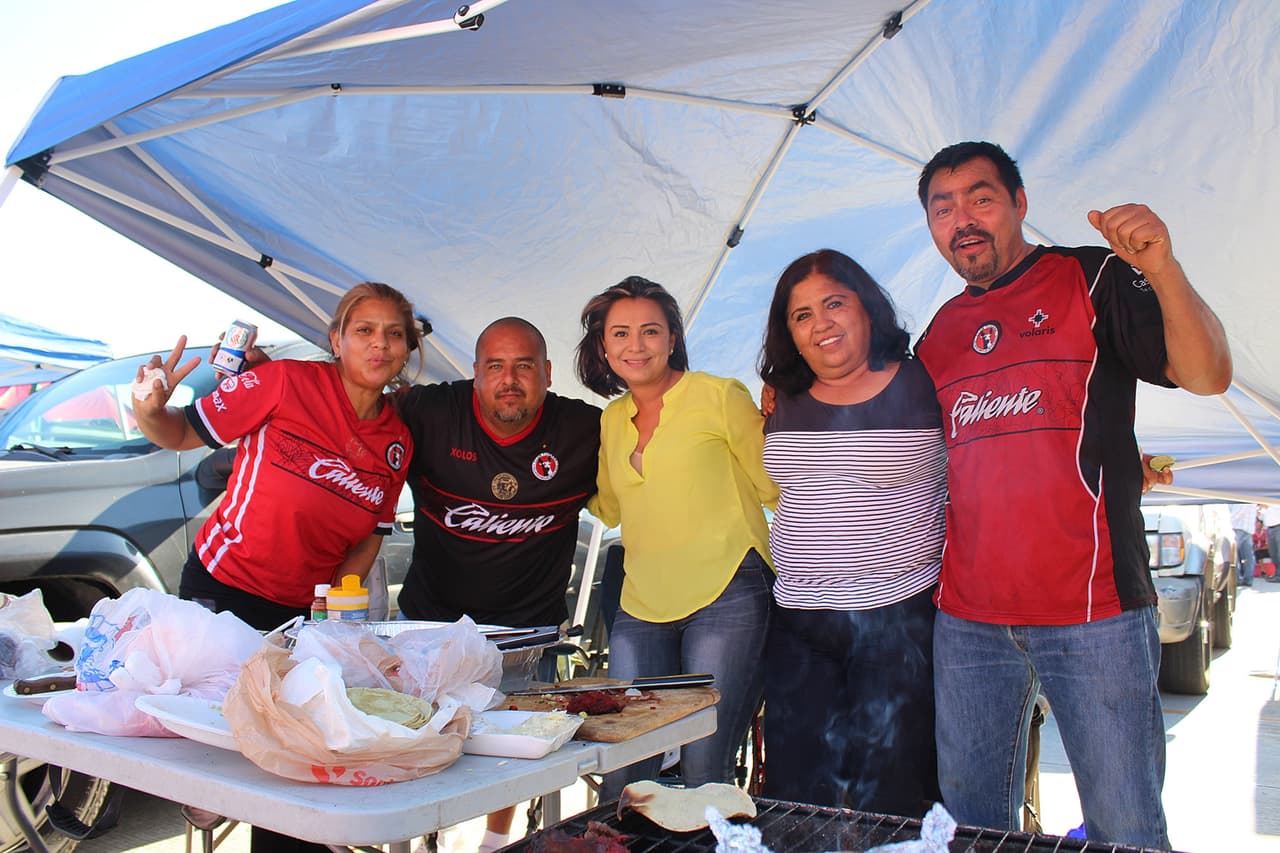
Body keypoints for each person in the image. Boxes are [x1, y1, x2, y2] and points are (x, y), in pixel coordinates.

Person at [914, 141, 1231, 849]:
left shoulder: (1092, 276)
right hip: (967, 621)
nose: (962, 219)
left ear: (1020, 203)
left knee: (1126, 829)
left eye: (980, 198)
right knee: (972, 829)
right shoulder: (937, 335)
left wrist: (1163, 268)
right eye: (943, 209)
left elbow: (1208, 374)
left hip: (1096, 612)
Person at [134, 281, 420, 853]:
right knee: (218, 750)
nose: (379, 344)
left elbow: (371, 535)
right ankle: (207, 799)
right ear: (336, 339)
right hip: (225, 590)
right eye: (364, 330)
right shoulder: (285, 381)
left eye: (394, 334)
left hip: (300, 614)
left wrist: (332, 602)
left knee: (289, 760)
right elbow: (180, 432)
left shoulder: (397, 441)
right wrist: (148, 406)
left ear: (406, 349)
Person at [395, 316, 600, 851]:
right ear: (475, 373)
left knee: (513, 755)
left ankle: (494, 844)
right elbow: (354, 402)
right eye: (495, 366)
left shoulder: (585, 429)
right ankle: (422, 838)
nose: (509, 380)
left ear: (548, 373)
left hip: (525, 636)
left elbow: (656, 433)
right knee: (416, 742)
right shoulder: (432, 411)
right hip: (431, 626)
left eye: (524, 366)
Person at [756, 249, 945, 816]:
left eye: (834, 303)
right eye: (802, 315)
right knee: (795, 794)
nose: (821, 324)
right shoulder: (784, 398)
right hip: (798, 621)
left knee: (891, 795)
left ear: (867, 307)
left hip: (896, 620)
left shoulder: (926, 382)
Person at [576, 276, 777, 799]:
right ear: (604, 347)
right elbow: (609, 506)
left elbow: (776, 486)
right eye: (620, 333)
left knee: (703, 767)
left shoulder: (719, 395)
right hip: (642, 604)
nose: (635, 345)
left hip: (728, 593)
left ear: (671, 339)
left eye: (650, 331)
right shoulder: (611, 419)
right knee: (624, 770)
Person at [1230, 504, 1258, 588]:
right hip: (1248, 529)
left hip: (1238, 527)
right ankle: (1248, 579)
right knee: (1249, 556)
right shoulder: (1251, 499)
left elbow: (1238, 513)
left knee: (1234, 554)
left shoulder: (1241, 500)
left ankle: (1236, 579)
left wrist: (1225, 521)